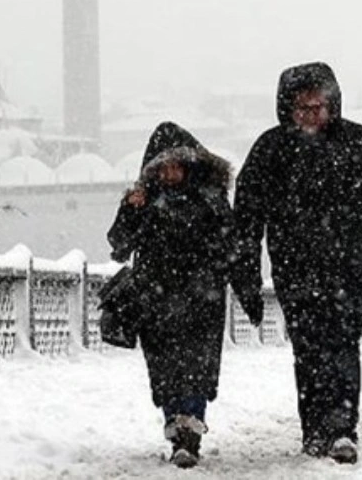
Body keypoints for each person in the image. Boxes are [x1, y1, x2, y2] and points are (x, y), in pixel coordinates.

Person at [232, 62, 362, 464]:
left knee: (342, 344)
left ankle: (341, 428)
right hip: (294, 267)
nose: (312, 115)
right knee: (308, 347)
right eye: (303, 108)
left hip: (348, 265)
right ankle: (314, 429)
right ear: (288, 108)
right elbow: (246, 216)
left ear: (332, 105)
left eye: (319, 106)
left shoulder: (359, 143)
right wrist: (245, 271)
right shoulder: (271, 150)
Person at [107, 122, 264, 469]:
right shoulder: (144, 202)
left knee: (196, 368)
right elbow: (119, 247)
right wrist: (131, 209)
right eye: (163, 167)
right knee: (165, 371)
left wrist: (249, 293)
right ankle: (176, 427)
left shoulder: (211, 201)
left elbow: (234, 251)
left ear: (192, 164)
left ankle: (188, 433)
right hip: (156, 301)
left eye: (177, 164)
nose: (171, 173)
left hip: (201, 301)